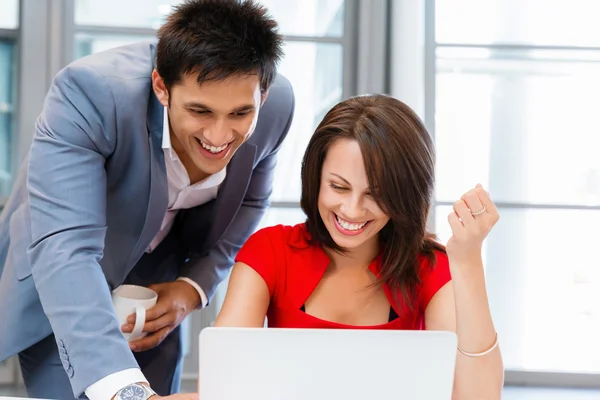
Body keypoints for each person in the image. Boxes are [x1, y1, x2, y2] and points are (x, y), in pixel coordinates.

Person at [0, 0, 294, 399]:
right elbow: (65, 247)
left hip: (159, 281)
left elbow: (248, 204)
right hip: (71, 279)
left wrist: (192, 287)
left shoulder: (276, 107)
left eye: (240, 113)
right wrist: (128, 392)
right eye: (200, 111)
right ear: (161, 87)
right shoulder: (90, 93)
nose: (220, 135)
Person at [215, 94, 504, 398]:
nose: (352, 210)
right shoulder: (270, 251)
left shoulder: (429, 268)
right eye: (338, 186)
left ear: (404, 195)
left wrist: (468, 261)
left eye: (376, 194)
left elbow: (478, 396)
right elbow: (223, 380)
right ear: (315, 177)